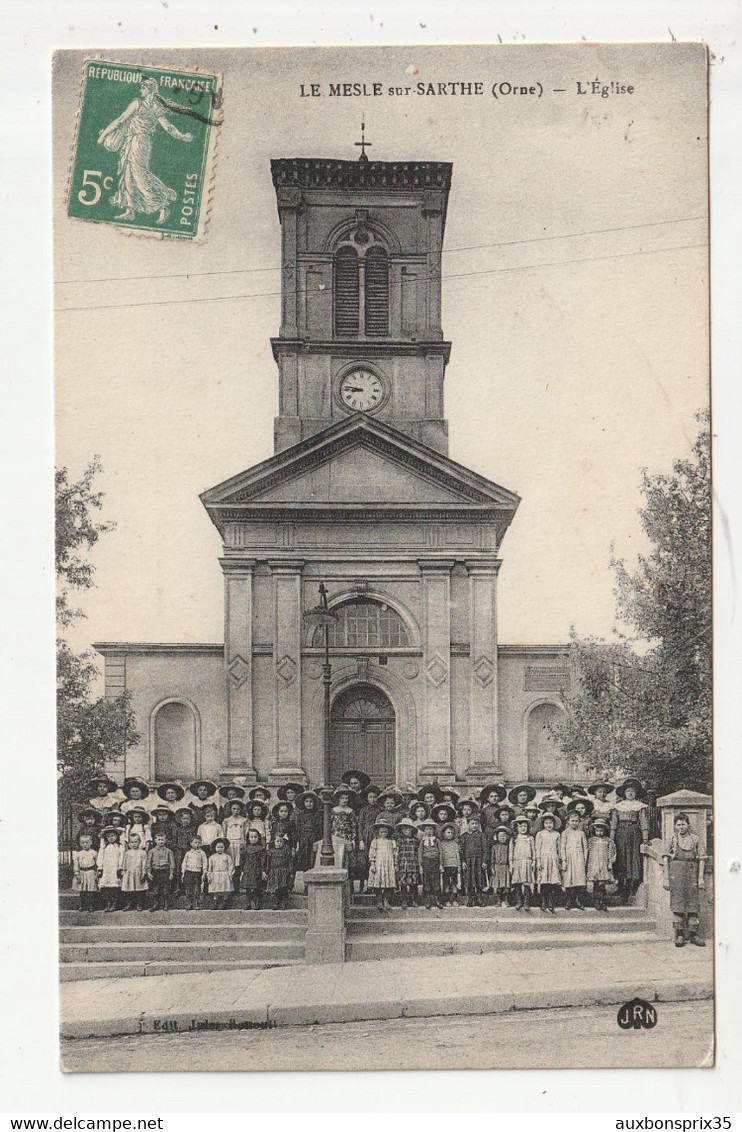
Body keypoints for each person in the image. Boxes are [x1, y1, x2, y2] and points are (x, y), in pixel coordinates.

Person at [96, 77, 193, 224]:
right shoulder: (155, 107)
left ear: (149, 90)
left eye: (143, 88)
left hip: (139, 142)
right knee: (128, 173)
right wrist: (181, 136)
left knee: (139, 173)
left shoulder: (139, 104)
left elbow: (120, 119)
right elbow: (168, 127)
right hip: (133, 140)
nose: (140, 90)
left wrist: (104, 135)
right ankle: (130, 210)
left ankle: (162, 204)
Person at [663, 812, 706, 947]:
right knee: (678, 903)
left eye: (683, 824)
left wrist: (700, 878)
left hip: (692, 872)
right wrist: (666, 877)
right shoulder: (672, 839)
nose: (681, 827)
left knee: (693, 904)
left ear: (688, 825)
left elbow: (702, 859)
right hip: (676, 873)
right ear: (675, 826)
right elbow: (665, 859)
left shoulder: (696, 839)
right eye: (678, 825)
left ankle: (694, 934)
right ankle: (680, 934)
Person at [610, 778, 649, 903]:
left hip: (634, 833)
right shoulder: (618, 806)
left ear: (636, 793)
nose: (630, 793)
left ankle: (632, 885)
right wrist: (611, 839)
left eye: (632, 791)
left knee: (633, 858)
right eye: (628, 791)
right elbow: (614, 823)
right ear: (624, 793)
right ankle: (621, 886)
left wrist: (645, 838)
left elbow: (643, 821)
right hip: (620, 833)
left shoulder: (640, 806)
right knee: (621, 858)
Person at [367, 817, 398, 911]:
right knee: (378, 882)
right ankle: (379, 900)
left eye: (385, 832)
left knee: (388, 882)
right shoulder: (375, 841)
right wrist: (372, 863)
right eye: (381, 832)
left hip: (389, 863)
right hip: (378, 863)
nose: (383, 834)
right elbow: (372, 853)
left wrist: (395, 864)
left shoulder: (392, 842)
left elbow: (395, 853)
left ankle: (386, 900)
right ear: (378, 832)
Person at [586, 817, 616, 912]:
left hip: (603, 863)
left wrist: (610, 863)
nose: (599, 833)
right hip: (594, 863)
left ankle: (602, 901)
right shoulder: (591, 841)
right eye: (597, 831)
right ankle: (596, 902)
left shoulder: (608, 841)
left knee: (602, 884)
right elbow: (587, 852)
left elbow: (611, 853)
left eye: (601, 831)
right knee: (595, 883)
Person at [560, 810, 589, 910]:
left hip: (579, 857)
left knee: (579, 879)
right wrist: (564, 860)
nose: (574, 823)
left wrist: (584, 859)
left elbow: (585, 847)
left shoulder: (581, 833)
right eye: (572, 821)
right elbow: (562, 847)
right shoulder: (565, 833)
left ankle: (577, 900)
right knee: (569, 879)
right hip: (569, 857)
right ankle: (569, 900)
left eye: (576, 821)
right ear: (568, 822)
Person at [534, 812, 562, 913]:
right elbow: (537, 848)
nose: (548, 825)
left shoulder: (557, 834)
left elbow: (559, 848)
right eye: (546, 823)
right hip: (543, 859)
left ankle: (551, 902)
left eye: (550, 823)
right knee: (543, 881)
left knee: (552, 882)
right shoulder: (540, 834)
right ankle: (543, 902)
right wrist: (538, 860)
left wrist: (559, 860)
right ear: (543, 824)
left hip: (553, 859)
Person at [356, 784, 381, 889]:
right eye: (370, 797)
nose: (373, 799)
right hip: (366, 836)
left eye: (375, 797)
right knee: (364, 861)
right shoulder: (363, 810)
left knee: (375, 860)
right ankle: (363, 884)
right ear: (367, 798)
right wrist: (361, 839)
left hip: (376, 836)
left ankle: (374, 885)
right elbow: (360, 825)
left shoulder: (379, 810)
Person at [509, 815, 536, 911]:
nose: (523, 828)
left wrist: (534, 861)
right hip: (517, 862)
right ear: (516, 827)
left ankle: (526, 902)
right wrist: (511, 862)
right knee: (517, 882)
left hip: (527, 862)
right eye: (520, 826)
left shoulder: (530, 838)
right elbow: (511, 851)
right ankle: (519, 901)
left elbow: (534, 850)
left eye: (525, 826)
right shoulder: (514, 839)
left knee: (527, 883)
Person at [294, 791, 323, 876]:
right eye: (307, 802)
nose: (309, 804)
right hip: (304, 840)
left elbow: (320, 828)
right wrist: (298, 841)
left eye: (311, 802)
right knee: (304, 860)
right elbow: (298, 828)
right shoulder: (300, 815)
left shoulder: (317, 814)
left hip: (314, 839)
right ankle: (306, 883)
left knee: (313, 859)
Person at [460, 813, 487, 906]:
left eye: (476, 824)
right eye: (472, 823)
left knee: (479, 879)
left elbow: (485, 849)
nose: (474, 825)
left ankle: (479, 898)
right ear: (468, 824)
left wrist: (484, 861)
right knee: (469, 880)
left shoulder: (481, 835)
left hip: (478, 861)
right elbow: (461, 850)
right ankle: (470, 898)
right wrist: (463, 861)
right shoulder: (464, 836)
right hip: (468, 861)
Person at [222, 799, 249, 891]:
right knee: (229, 865)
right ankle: (229, 886)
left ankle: (237, 887)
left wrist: (244, 843)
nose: (236, 811)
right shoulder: (226, 821)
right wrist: (224, 845)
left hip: (239, 844)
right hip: (230, 845)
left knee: (238, 865)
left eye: (238, 809)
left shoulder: (244, 820)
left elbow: (246, 833)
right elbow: (224, 834)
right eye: (234, 808)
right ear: (230, 809)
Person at [96, 825, 124, 912]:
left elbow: (121, 857)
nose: (111, 838)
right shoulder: (104, 847)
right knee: (106, 887)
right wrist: (100, 867)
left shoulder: (119, 847)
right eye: (108, 836)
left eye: (113, 836)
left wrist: (120, 867)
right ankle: (108, 903)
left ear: (117, 836)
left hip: (114, 869)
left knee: (114, 887)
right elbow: (100, 857)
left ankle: (114, 904)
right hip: (106, 869)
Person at [330, 788, 357, 875]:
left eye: (346, 798)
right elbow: (330, 824)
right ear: (338, 799)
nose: (344, 800)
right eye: (342, 798)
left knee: (346, 859)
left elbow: (353, 826)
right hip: (336, 836)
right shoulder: (334, 810)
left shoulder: (350, 811)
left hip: (346, 836)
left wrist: (353, 839)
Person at [395, 817, 421, 907]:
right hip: (403, 864)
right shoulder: (399, 840)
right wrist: (396, 863)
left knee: (413, 883)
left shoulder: (416, 841)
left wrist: (419, 863)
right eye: (404, 828)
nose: (406, 830)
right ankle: (404, 900)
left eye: (408, 828)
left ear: (412, 830)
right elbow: (396, 852)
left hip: (413, 864)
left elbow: (418, 852)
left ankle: (413, 900)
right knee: (403, 883)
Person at [146, 831, 176, 912]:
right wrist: (148, 872)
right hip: (155, 871)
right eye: (159, 840)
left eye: (162, 840)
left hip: (165, 871)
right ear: (155, 840)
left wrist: (171, 873)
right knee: (155, 889)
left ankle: (166, 905)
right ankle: (156, 904)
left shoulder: (169, 851)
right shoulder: (151, 851)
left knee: (166, 889)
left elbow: (172, 863)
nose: (160, 842)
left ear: (165, 840)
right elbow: (148, 862)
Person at [120, 832, 149, 912]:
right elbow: (124, 863)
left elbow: (144, 863)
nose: (134, 844)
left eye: (136, 842)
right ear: (129, 843)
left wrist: (143, 872)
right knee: (129, 889)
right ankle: (129, 904)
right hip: (129, 873)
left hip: (138, 872)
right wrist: (123, 870)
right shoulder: (127, 853)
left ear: (139, 842)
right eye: (132, 842)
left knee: (139, 889)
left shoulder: (142, 853)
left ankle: (139, 904)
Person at [417, 817, 442, 909]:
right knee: (426, 881)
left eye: (430, 829)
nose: (429, 831)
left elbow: (440, 852)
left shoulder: (436, 840)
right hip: (426, 861)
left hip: (435, 861)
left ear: (434, 830)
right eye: (427, 829)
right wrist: (420, 865)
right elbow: (420, 853)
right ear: (424, 830)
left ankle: (436, 899)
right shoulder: (422, 841)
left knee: (436, 880)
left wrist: (441, 864)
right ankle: (427, 900)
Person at [171, 807, 197, 892]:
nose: (185, 820)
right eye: (184, 819)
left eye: (188, 819)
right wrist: (176, 849)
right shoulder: (178, 829)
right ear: (180, 819)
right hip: (179, 851)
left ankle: (188, 888)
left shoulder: (192, 829)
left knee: (188, 868)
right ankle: (179, 887)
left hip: (189, 850)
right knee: (178, 868)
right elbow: (174, 840)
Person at [72, 833, 99, 912]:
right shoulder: (79, 854)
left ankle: (91, 906)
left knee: (91, 890)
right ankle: (83, 905)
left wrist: (96, 873)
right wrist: (77, 873)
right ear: (80, 843)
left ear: (91, 843)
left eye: (87, 842)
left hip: (90, 872)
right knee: (82, 891)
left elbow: (97, 864)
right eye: (83, 843)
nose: (85, 844)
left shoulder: (94, 853)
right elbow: (76, 864)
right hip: (82, 872)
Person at [266, 833, 293, 910]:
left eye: (281, 842)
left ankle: (283, 903)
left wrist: (290, 871)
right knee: (275, 888)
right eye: (277, 841)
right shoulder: (271, 851)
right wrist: (267, 871)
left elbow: (290, 862)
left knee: (283, 888)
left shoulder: (286, 851)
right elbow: (268, 862)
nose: (279, 843)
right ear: (273, 842)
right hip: (274, 872)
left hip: (283, 871)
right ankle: (275, 903)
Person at [181, 835, 208, 910]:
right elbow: (184, 862)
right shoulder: (188, 853)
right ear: (191, 843)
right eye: (195, 842)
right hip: (189, 872)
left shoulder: (202, 853)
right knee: (189, 889)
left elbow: (205, 862)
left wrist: (204, 872)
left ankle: (196, 903)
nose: (197, 844)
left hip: (197, 872)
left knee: (197, 889)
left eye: (199, 843)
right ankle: (189, 903)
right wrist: (183, 871)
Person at [206, 837, 235, 909]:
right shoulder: (212, 857)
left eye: (222, 847)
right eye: (218, 847)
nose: (220, 849)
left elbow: (231, 866)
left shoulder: (227, 857)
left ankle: (224, 903)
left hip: (224, 875)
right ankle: (215, 903)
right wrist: (209, 875)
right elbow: (209, 868)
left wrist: (230, 874)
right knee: (216, 890)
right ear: (215, 848)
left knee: (225, 890)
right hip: (215, 875)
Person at [242, 828, 266, 910]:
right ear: (248, 838)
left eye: (255, 837)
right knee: (248, 887)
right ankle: (247, 902)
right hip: (248, 869)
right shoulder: (246, 848)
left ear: (258, 838)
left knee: (256, 886)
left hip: (257, 869)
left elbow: (263, 860)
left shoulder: (261, 849)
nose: (253, 839)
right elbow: (242, 860)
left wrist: (263, 871)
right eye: (251, 837)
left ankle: (255, 902)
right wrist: (242, 870)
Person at [439, 822, 462, 906]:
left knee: (454, 883)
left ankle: (454, 899)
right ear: (443, 833)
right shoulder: (441, 844)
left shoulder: (455, 844)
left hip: (454, 865)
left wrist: (458, 865)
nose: (450, 834)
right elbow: (440, 855)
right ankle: (447, 900)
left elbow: (457, 855)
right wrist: (441, 865)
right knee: (446, 883)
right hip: (446, 866)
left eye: (452, 833)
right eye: (448, 832)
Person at [490, 825, 512, 907]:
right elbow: (492, 858)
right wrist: (492, 867)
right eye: (500, 836)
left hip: (505, 867)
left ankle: (506, 900)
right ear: (497, 837)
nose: (502, 838)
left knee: (506, 886)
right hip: (497, 867)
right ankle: (498, 900)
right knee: (498, 886)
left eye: (504, 836)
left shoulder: (508, 847)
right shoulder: (494, 847)